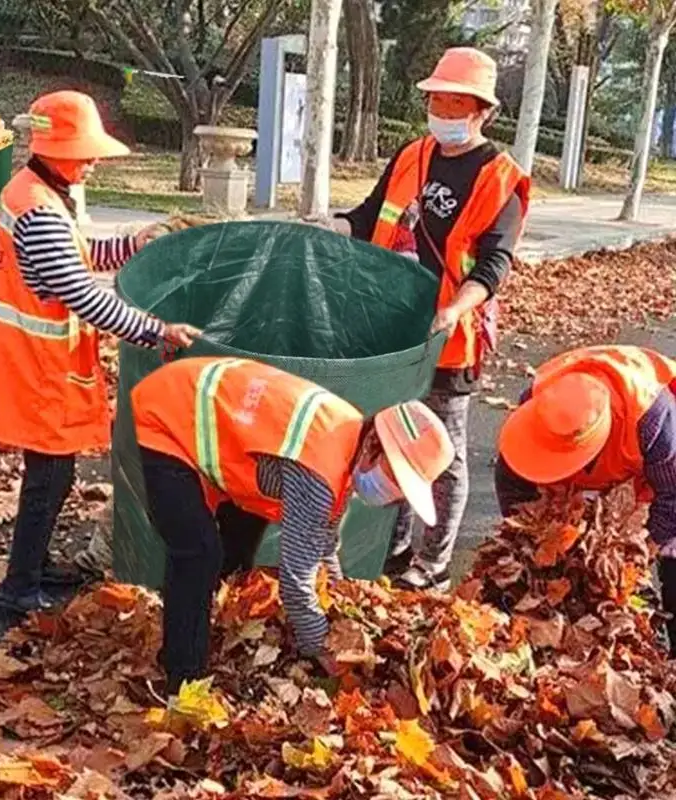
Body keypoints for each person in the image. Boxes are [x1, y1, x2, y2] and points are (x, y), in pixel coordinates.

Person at [0, 91, 200, 615]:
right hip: (35, 372)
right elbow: (84, 295)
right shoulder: (40, 209)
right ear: (56, 149)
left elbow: (79, 257)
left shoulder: (35, 191)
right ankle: (20, 591)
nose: (93, 162)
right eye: (85, 152)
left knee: (55, 476)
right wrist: (156, 331)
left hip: (30, 366)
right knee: (46, 481)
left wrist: (139, 241)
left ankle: (35, 567)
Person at [318, 47, 530, 591]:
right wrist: (336, 226)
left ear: (481, 111)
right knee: (390, 438)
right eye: (436, 100)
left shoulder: (499, 178)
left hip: (449, 336)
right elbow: (370, 216)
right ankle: (396, 547)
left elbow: (494, 263)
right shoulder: (412, 155)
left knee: (443, 451)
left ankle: (433, 566)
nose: (443, 111)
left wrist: (458, 307)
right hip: (391, 327)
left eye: (455, 102)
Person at [130, 356, 455, 694]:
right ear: (375, 445)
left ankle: (209, 618)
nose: (393, 493)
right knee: (198, 554)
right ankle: (182, 679)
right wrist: (325, 652)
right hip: (169, 412)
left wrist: (342, 603)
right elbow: (296, 583)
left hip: (209, 413)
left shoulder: (347, 438)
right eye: (396, 478)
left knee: (239, 541)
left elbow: (324, 545)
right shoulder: (319, 471)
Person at [494, 345, 676, 654]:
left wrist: (633, 558)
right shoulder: (538, 410)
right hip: (580, 479)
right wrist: (537, 544)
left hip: (653, 472)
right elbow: (513, 484)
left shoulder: (652, 417)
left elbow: (671, 501)